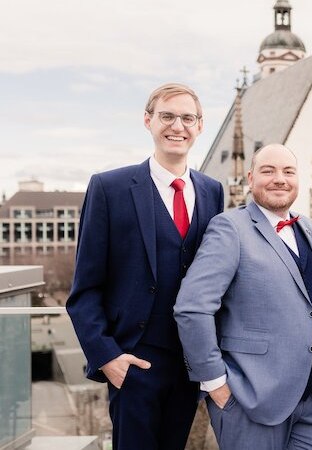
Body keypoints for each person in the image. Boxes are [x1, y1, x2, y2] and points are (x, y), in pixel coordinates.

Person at [67, 83, 224, 449]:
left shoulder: (212, 191)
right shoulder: (110, 188)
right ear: (148, 121)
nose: (177, 126)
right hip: (132, 363)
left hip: (190, 365)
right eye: (167, 116)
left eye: (187, 118)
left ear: (200, 126)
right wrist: (108, 358)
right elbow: (85, 290)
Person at [173, 144, 312, 449]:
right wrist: (215, 383)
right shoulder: (230, 228)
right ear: (251, 178)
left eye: (288, 171)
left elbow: (311, 288)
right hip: (249, 401)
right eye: (268, 171)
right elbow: (192, 308)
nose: (280, 179)